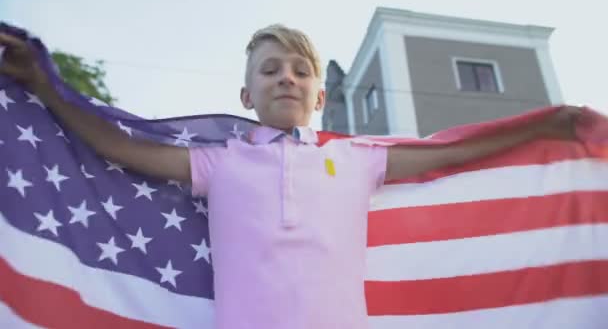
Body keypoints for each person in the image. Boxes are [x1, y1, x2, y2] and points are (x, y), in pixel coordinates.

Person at [0, 25, 583, 329]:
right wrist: (47, 87)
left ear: (320, 94)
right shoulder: (220, 161)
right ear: (245, 94)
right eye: (271, 70)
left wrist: (544, 127)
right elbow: (120, 148)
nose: (287, 79)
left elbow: (449, 153)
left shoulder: (359, 158)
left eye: (301, 71)